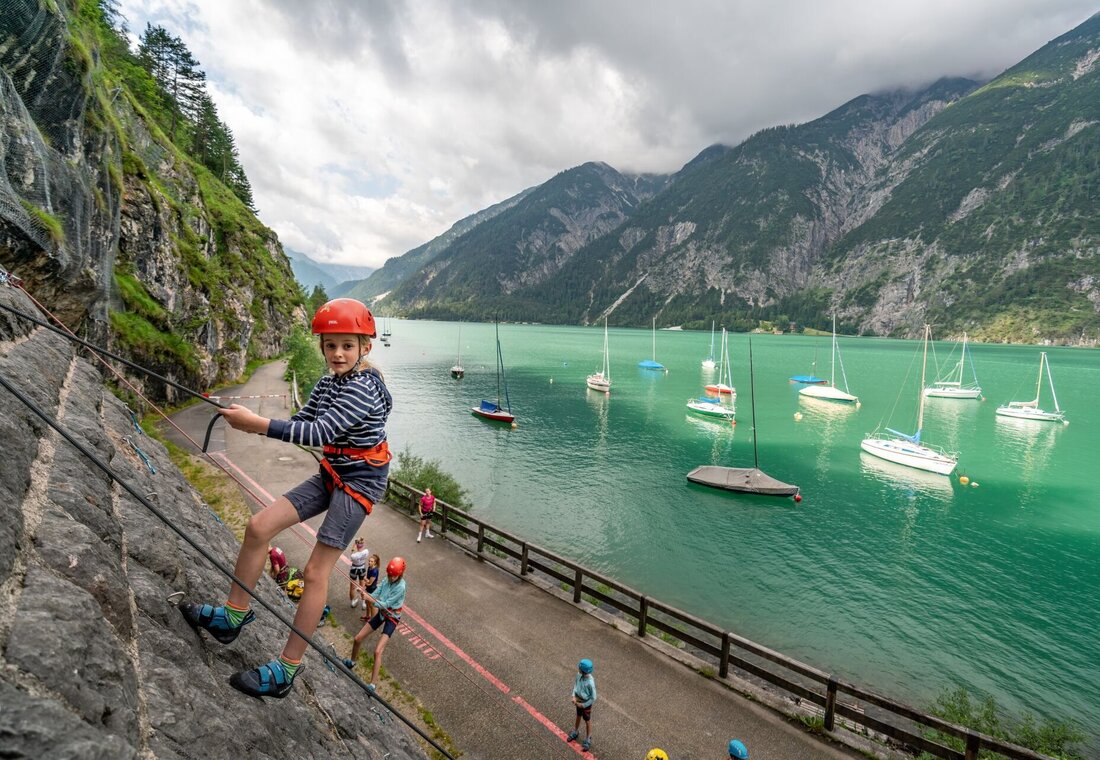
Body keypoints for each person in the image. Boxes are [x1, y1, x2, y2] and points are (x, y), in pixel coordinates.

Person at [178, 298, 392, 699]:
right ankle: (233, 615)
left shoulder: (363, 388)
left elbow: (318, 434)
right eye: (330, 346)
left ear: (366, 346)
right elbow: (301, 423)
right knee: (259, 526)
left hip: (360, 482)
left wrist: (257, 424)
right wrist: (242, 417)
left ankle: (286, 670)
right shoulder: (329, 383)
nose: (338, 354)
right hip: (335, 471)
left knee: (315, 573)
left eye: (348, 345)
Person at [344, 556, 407, 690]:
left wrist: (369, 599)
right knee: (358, 638)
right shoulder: (387, 579)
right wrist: (365, 592)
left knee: (378, 651)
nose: (390, 578)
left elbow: (385, 604)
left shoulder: (401, 587)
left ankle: (372, 685)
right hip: (382, 613)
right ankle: (352, 662)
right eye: (389, 575)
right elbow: (377, 592)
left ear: (400, 574)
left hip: (392, 617)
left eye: (393, 576)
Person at [566, 657, 596, 751]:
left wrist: (583, 705)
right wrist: (573, 696)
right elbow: (576, 685)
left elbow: (593, 697)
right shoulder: (579, 675)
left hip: (585, 703)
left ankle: (588, 738)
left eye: (579, 668)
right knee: (578, 715)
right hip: (578, 700)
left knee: (587, 720)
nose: (578, 669)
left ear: (583, 671)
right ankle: (576, 731)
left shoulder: (590, 682)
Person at [348, 537, 369, 607]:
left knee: (352, 587)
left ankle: (352, 602)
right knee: (362, 586)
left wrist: (353, 546)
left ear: (357, 545)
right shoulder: (366, 551)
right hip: (362, 568)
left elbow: (352, 554)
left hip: (354, 569)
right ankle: (363, 603)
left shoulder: (353, 556)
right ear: (363, 545)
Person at [359, 553, 380, 622]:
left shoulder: (374, 571)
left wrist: (364, 578)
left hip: (372, 590)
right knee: (367, 604)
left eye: (371, 561)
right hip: (368, 589)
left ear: (375, 563)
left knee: (371, 605)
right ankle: (367, 616)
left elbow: (369, 583)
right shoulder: (369, 568)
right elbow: (367, 582)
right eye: (369, 561)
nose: (369, 562)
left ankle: (372, 620)